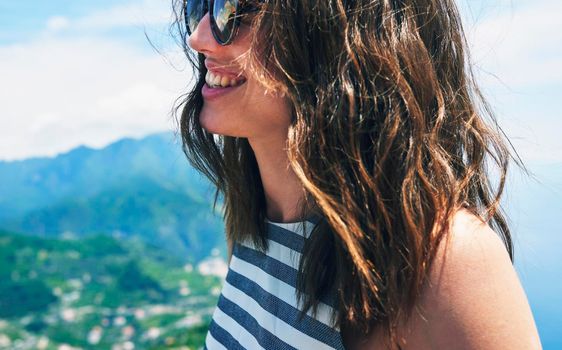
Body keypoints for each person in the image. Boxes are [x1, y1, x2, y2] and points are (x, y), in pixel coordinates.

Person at [173, 0, 542, 348]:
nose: (198, 38)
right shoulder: (254, 226)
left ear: (338, 32)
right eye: (199, 6)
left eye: (235, 9)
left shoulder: (440, 260)